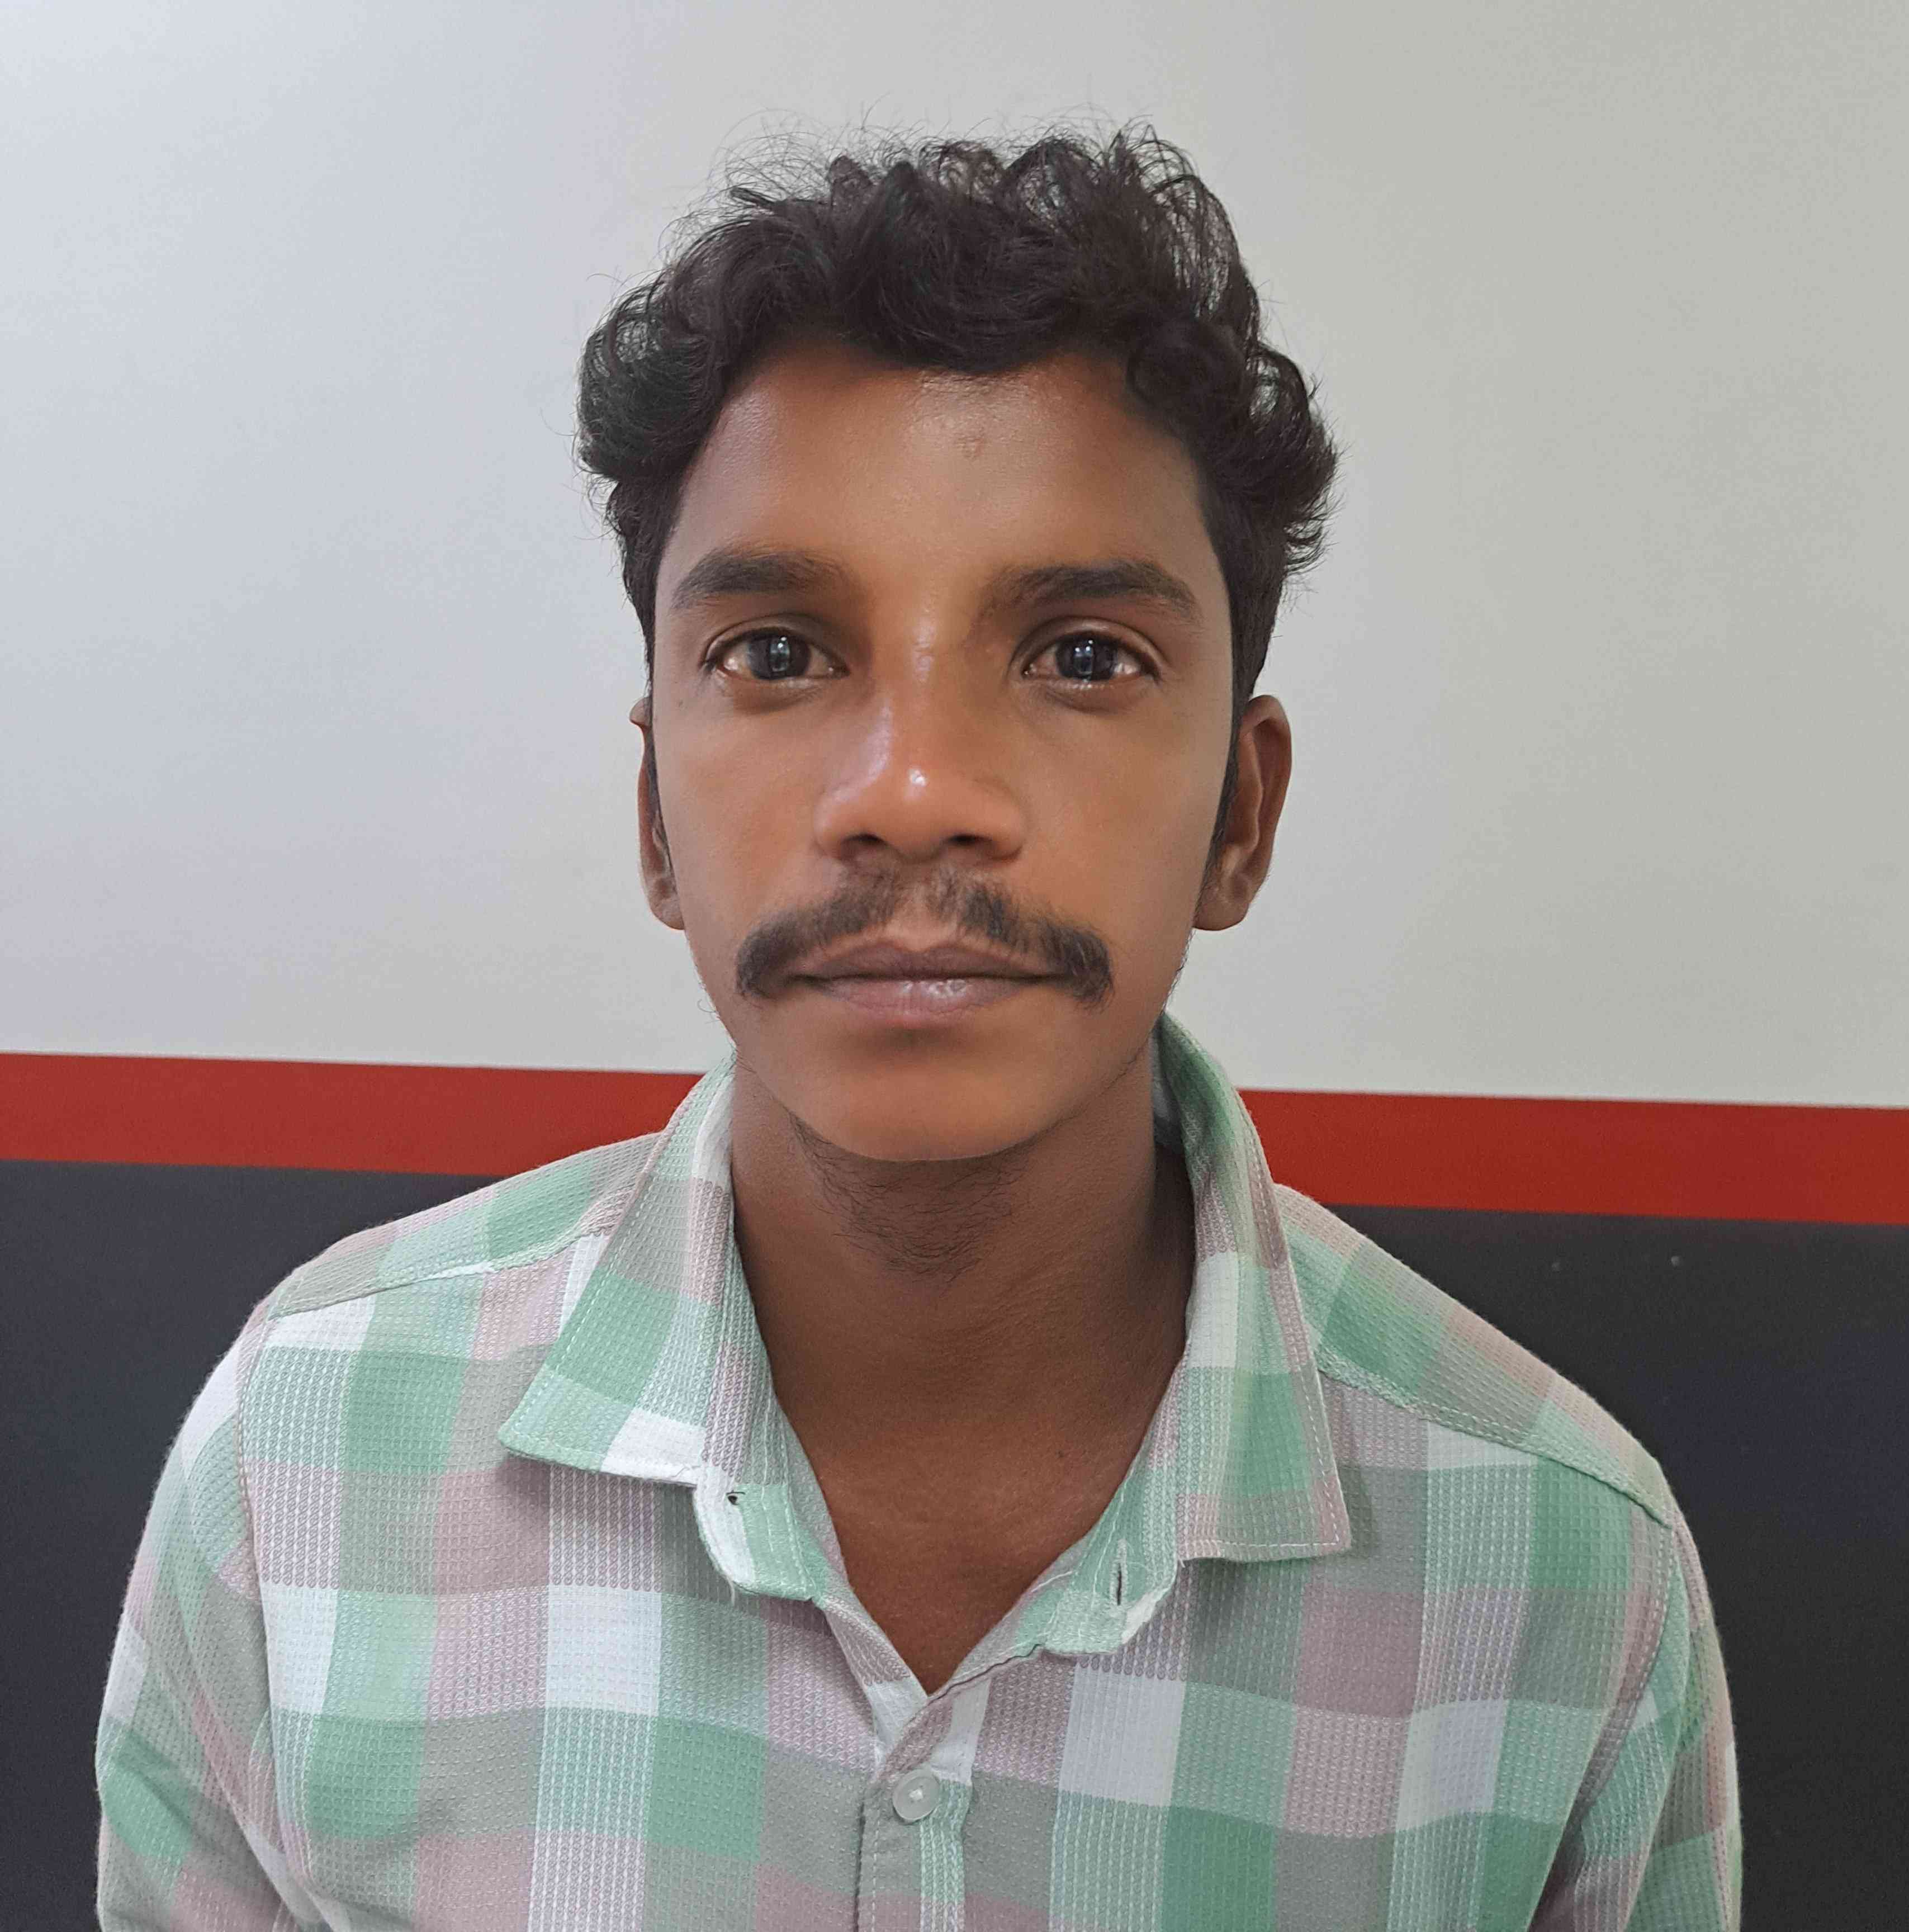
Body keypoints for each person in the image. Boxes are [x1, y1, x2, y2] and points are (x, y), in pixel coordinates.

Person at [95, 124, 1741, 1930]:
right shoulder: (308, 1461)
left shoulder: (1566, 1575)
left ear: (1243, 815)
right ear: (655, 822)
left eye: (1085, 655)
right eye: (781, 653)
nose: (913, 792)